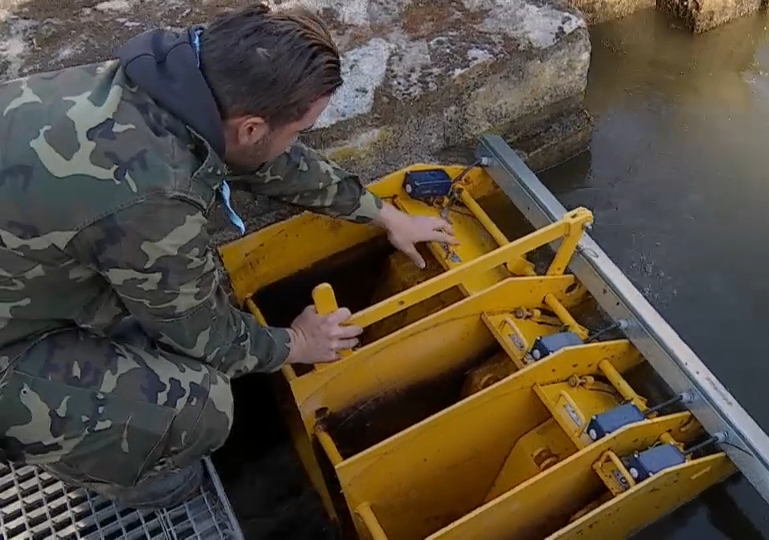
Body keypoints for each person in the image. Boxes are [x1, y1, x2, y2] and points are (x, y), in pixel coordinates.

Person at [0, 2, 457, 509]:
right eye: (298, 131)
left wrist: (382, 214)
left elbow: (264, 162)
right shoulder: (152, 195)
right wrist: (296, 342)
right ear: (253, 128)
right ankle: (120, 474)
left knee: (172, 288)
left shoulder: (152, 89)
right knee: (203, 406)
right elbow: (207, 340)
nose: (295, 142)